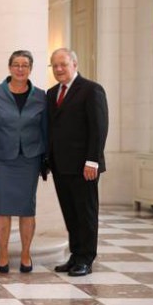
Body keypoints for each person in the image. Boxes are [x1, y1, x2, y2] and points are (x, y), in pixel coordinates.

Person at [0, 50, 47, 274]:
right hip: (1, 160)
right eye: (16, 64)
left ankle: (26, 254)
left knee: (27, 209)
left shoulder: (41, 96)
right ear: (9, 67)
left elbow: (45, 130)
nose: (20, 69)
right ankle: (3, 254)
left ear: (31, 69)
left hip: (29, 159)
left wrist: (45, 162)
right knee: (2, 208)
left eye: (25, 65)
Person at [48, 48, 108, 277]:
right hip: (60, 165)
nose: (59, 69)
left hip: (85, 166)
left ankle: (86, 258)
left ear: (74, 63)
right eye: (55, 66)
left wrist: (93, 160)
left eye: (63, 64)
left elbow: (99, 127)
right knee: (70, 212)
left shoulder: (91, 90)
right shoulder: (52, 93)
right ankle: (75, 255)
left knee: (86, 213)